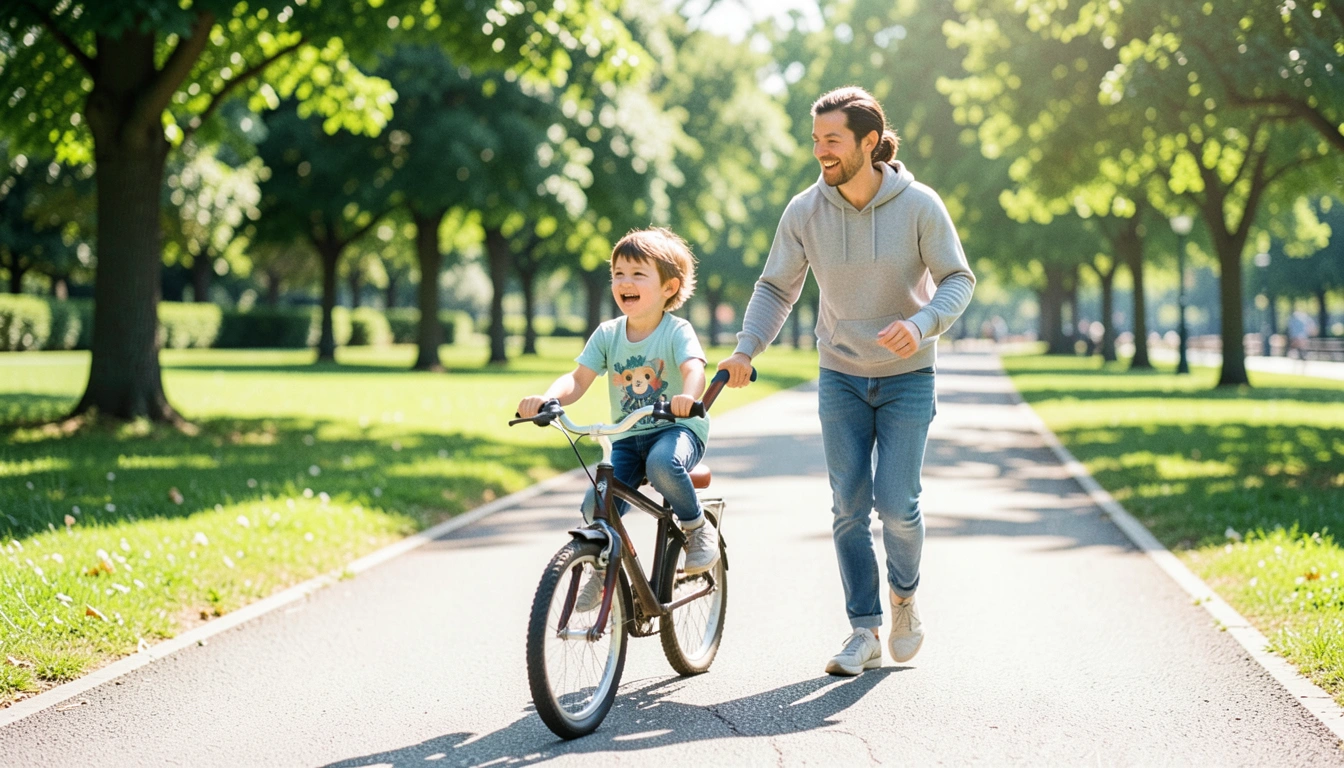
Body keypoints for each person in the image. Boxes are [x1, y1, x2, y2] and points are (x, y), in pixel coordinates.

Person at [717, 86, 975, 676]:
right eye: (816, 141)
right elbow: (776, 287)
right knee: (848, 506)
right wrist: (744, 348)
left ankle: (904, 598)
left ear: (868, 141)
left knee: (898, 504)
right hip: (840, 374)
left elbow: (958, 279)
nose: (821, 152)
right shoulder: (805, 210)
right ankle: (863, 630)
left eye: (832, 140)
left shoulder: (920, 205)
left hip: (909, 375)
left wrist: (924, 321)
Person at [517, 227, 719, 610]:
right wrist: (548, 398)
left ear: (669, 287)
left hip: (676, 429)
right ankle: (599, 566)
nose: (625, 282)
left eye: (638, 274)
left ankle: (696, 528)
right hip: (627, 435)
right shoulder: (608, 334)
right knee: (596, 504)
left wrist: (686, 398)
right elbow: (576, 381)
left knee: (662, 464)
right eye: (618, 274)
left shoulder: (677, 331)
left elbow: (694, 369)